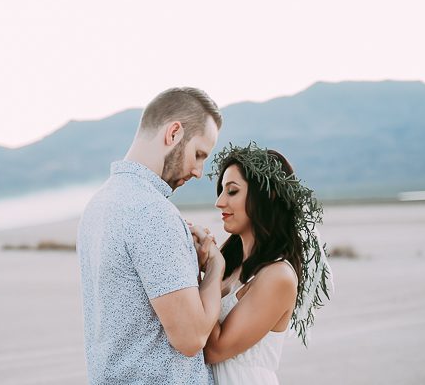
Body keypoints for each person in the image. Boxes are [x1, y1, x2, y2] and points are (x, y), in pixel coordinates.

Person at [77, 87, 225, 384]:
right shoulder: (152, 212)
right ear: (173, 133)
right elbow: (191, 336)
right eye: (198, 154)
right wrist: (215, 268)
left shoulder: (97, 206)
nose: (199, 172)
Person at [192, 142, 333, 385]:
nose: (220, 202)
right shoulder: (234, 264)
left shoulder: (278, 276)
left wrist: (207, 271)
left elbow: (213, 349)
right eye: (221, 191)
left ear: (266, 196)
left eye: (232, 191)